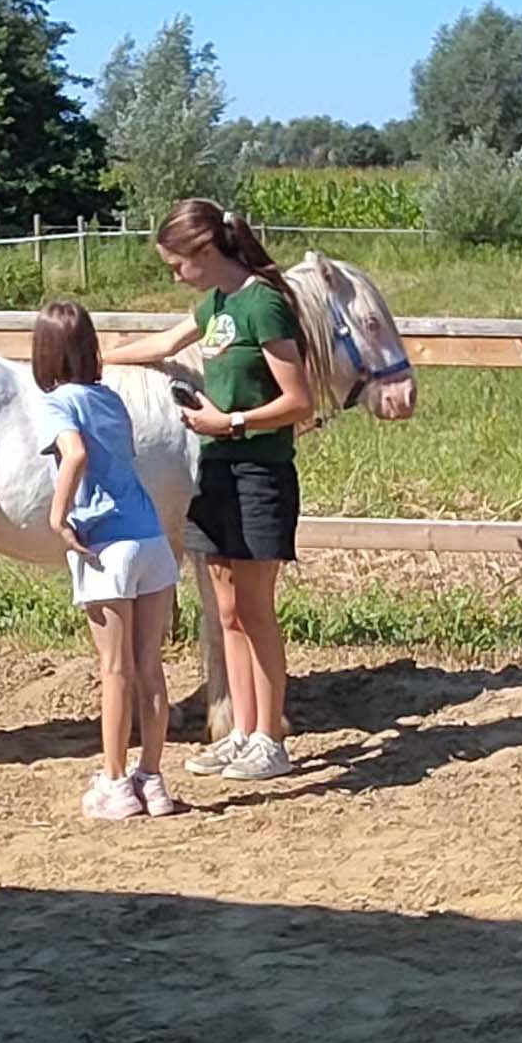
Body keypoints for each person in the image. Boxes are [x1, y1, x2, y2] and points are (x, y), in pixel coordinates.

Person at [102, 198, 314, 781]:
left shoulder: (263, 304)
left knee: (254, 609)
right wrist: (94, 363)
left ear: (204, 251)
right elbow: (163, 344)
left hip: (257, 470)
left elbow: (299, 401)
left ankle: (270, 736)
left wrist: (233, 423)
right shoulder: (216, 305)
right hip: (215, 469)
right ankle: (242, 731)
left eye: (177, 264)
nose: (174, 275)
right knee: (225, 609)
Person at [32, 299, 180, 820]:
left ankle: (115, 782)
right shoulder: (111, 399)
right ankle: (153, 779)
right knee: (149, 668)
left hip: (105, 545)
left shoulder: (56, 403)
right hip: (151, 539)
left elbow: (73, 455)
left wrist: (57, 516)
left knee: (114, 670)